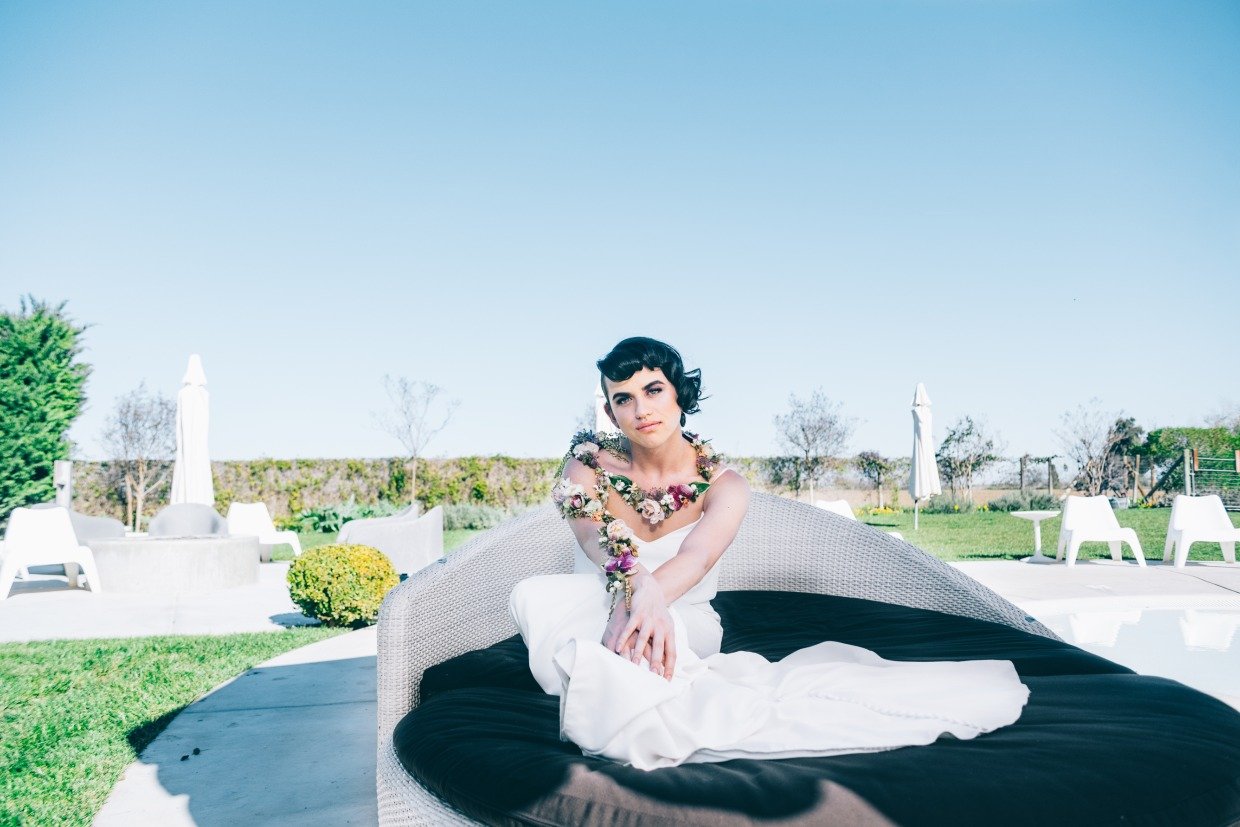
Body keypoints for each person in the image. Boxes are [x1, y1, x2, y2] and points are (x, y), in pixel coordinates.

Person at [510, 337, 1029, 771]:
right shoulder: (587, 467)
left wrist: (647, 601)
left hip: (683, 615)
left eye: (653, 390)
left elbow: (696, 559)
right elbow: (595, 541)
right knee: (558, 606)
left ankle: (616, 700)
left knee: (633, 652)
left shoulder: (725, 484)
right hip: (592, 602)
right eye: (623, 399)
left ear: (679, 396)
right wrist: (634, 588)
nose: (641, 409)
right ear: (610, 411)